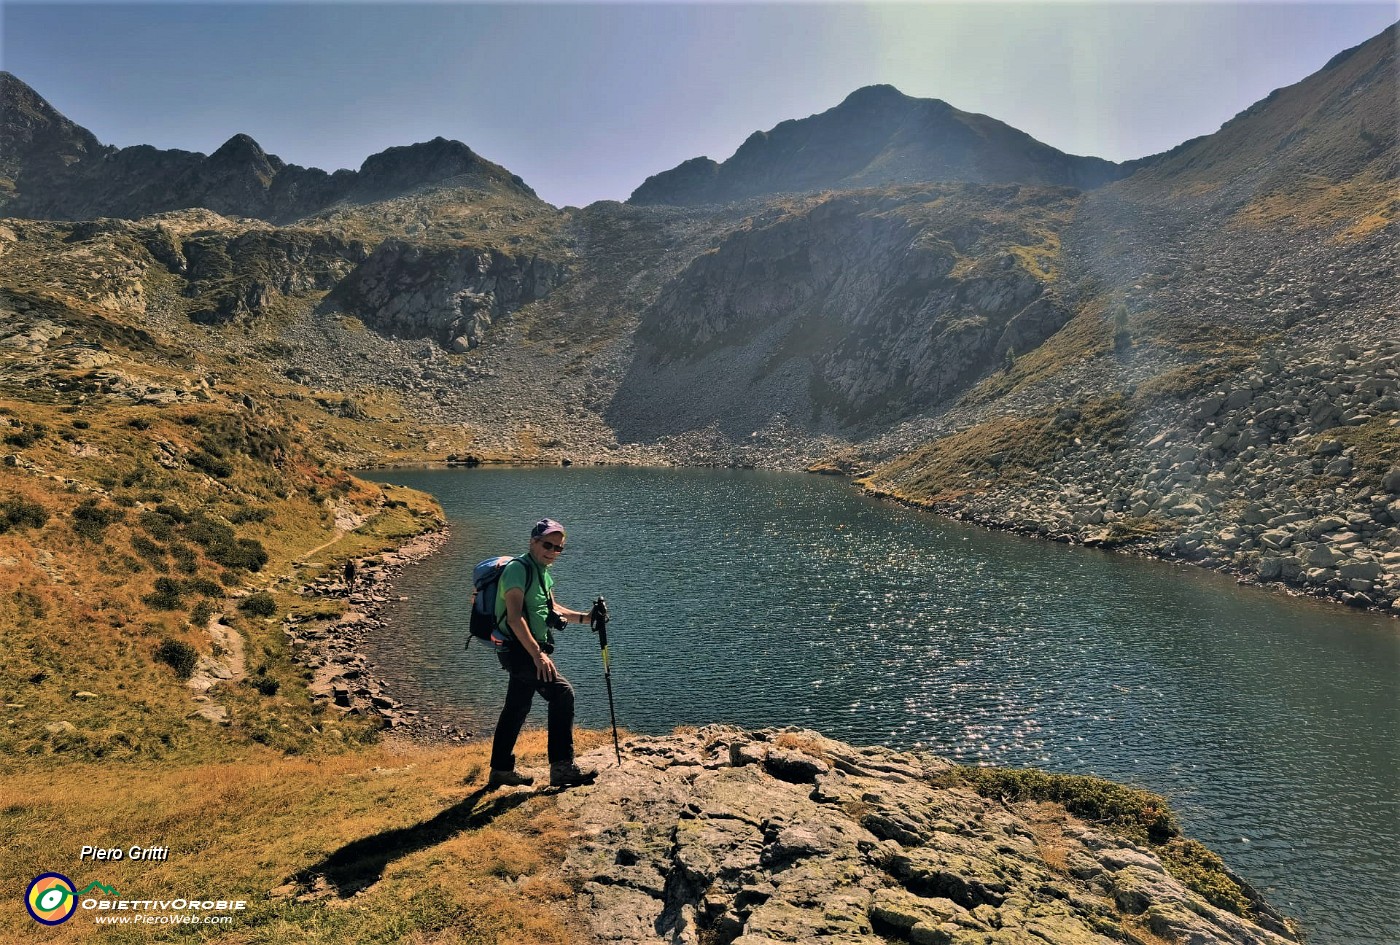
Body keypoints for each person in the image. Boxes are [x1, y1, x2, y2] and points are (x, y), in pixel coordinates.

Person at [487, 518, 598, 789]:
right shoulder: (517, 569)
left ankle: (500, 770)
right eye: (547, 544)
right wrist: (538, 654)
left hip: (525, 650)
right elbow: (514, 618)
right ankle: (562, 767)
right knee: (562, 694)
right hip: (520, 650)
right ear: (533, 542)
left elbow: (550, 608)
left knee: (516, 707)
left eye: (558, 548)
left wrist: (586, 618)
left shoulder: (542, 572)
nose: (552, 551)